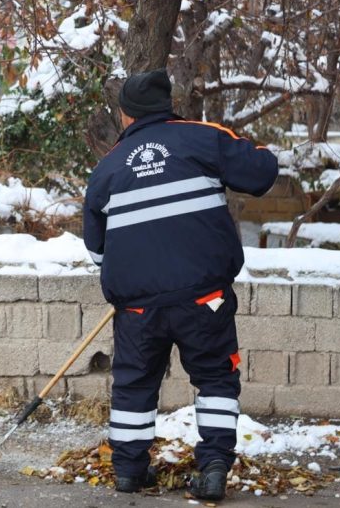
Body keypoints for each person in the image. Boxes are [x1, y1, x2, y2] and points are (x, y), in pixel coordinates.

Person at [82, 69, 278, 501]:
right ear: (167, 105)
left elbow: (97, 250)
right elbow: (262, 171)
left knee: (134, 386)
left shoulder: (107, 168)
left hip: (137, 309)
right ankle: (212, 470)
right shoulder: (203, 138)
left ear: (125, 115)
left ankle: (130, 473)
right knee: (215, 381)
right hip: (204, 299)